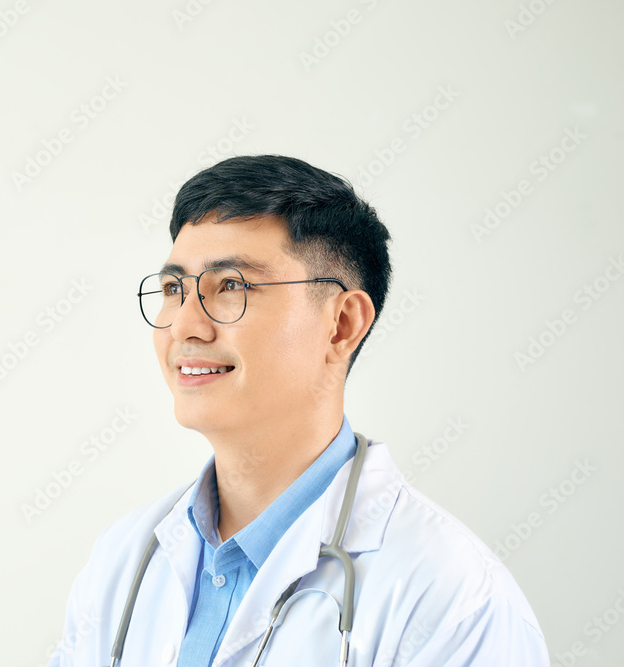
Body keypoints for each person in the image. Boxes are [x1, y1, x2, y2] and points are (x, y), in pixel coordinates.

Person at [49, 155, 548, 666]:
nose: (183, 327)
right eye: (176, 289)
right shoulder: (124, 559)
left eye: (232, 287)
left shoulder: (451, 598)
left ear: (342, 325)